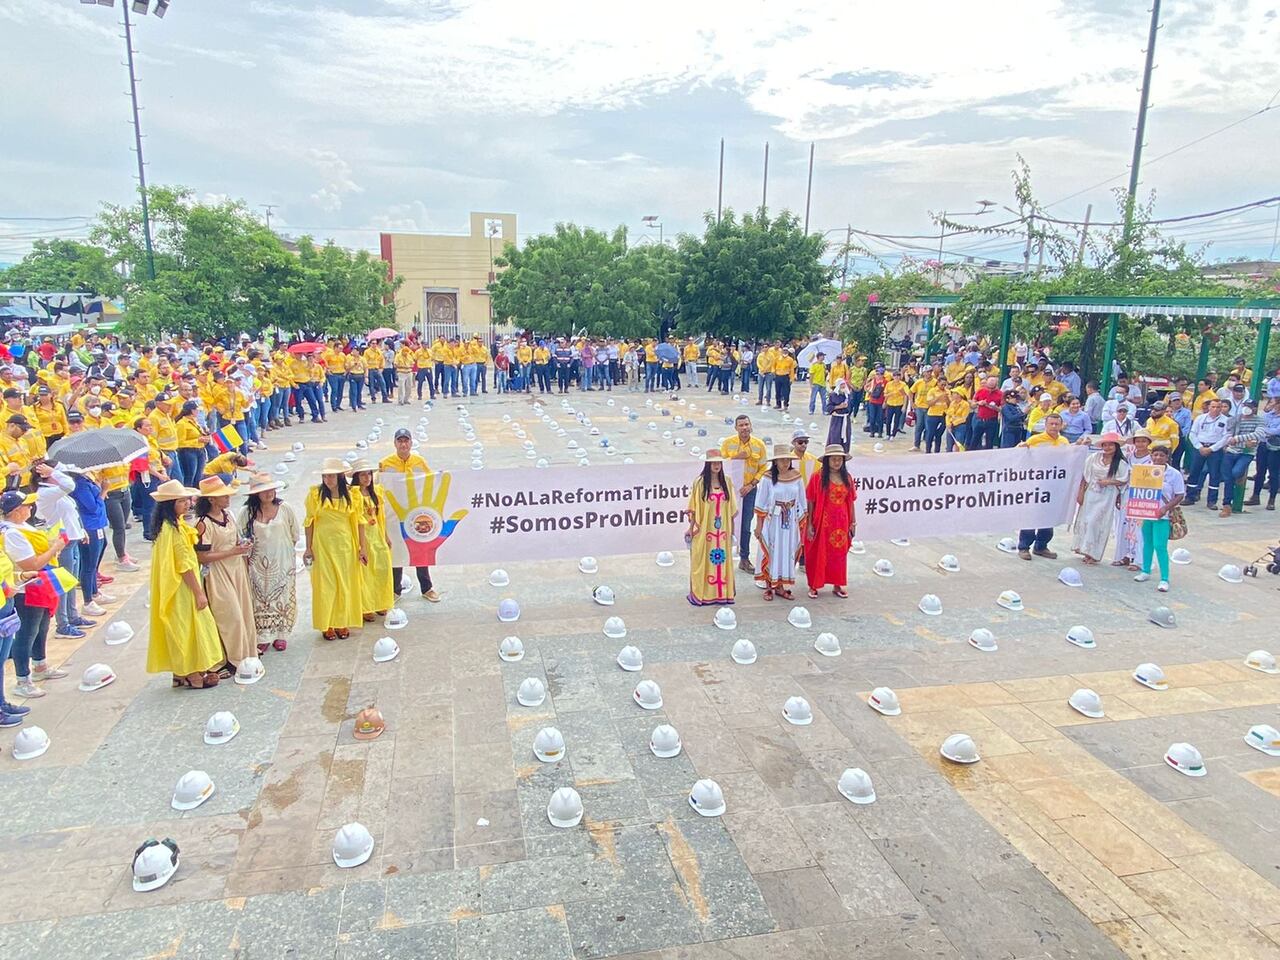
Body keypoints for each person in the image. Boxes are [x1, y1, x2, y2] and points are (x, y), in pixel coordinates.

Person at [146, 479, 225, 689]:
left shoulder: (168, 527)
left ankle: (180, 672)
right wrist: (199, 593)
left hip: (173, 586)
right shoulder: (174, 531)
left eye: (186, 500)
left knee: (179, 628)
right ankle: (192, 673)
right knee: (188, 628)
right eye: (182, 501)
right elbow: (185, 566)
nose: (187, 504)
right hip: (182, 587)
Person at [1, 490, 68, 699]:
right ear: (15, 512)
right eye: (26, 505)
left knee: (42, 626)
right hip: (25, 588)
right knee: (26, 633)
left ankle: (40, 665)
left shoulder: (22, 526)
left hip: (38, 584)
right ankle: (23, 679)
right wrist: (56, 547)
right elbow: (32, 564)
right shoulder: (11, 533)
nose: (30, 508)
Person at [193, 475, 255, 667]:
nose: (228, 499)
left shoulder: (229, 516)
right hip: (218, 573)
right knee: (230, 616)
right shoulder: (203, 523)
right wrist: (232, 552)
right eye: (223, 496)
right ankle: (232, 658)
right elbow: (202, 556)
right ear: (211, 499)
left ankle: (246, 652)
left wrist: (242, 548)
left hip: (236, 569)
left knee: (244, 612)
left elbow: (236, 539)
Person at [303, 458, 366, 641]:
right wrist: (308, 547)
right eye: (325, 476)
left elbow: (360, 522)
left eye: (331, 476)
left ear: (339, 476)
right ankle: (327, 623)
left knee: (344, 583)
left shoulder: (352, 495)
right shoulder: (315, 495)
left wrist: (362, 547)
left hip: (345, 544)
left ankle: (342, 621)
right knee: (326, 585)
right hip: (322, 545)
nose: (328, 479)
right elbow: (309, 522)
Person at [238, 474, 300, 653]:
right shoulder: (246, 513)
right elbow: (240, 537)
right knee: (259, 599)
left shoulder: (285, 509)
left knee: (283, 596)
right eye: (263, 491)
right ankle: (262, 635)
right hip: (256, 564)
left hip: (282, 562)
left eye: (271, 490)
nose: (268, 494)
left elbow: (294, 533)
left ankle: (281, 634)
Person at [379, 429, 440, 601]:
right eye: (400, 441)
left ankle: (427, 588)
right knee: (396, 552)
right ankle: (395, 590)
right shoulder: (385, 464)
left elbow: (431, 482)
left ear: (411, 443)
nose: (403, 444)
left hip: (415, 514)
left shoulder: (419, 462)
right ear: (395, 443)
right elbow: (377, 485)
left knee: (420, 550)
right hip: (394, 515)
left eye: (406, 441)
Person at [753, 444, 807, 601]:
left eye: (787, 460)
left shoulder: (796, 477)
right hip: (773, 521)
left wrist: (802, 521)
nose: (785, 463)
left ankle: (781, 585)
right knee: (772, 550)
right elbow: (761, 502)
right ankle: (769, 586)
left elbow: (802, 500)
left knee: (786, 551)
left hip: (790, 521)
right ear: (775, 462)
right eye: (782, 460)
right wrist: (759, 525)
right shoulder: (768, 478)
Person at [803, 444, 856, 599]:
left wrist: (853, 522)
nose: (836, 462)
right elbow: (811, 501)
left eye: (839, 459)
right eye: (833, 459)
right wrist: (810, 524)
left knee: (839, 555)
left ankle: (837, 584)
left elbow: (851, 501)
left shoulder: (847, 478)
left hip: (842, 522)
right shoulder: (817, 477)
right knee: (819, 553)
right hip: (823, 522)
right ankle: (814, 585)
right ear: (827, 461)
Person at [1015, 413, 1070, 560]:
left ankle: (1041, 546)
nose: (1053, 427)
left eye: (1056, 424)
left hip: (1054, 485)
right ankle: (1024, 547)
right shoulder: (1034, 440)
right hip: (1035, 485)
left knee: (1048, 517)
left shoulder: (1064, 442)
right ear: (1045, 425)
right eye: (1051, 424)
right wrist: (1021, 448)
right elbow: (1019, 457)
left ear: (1061, 425)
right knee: (1031, 516)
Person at [685, 451, 736, 606]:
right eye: (713, 463)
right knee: (703, 560)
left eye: (719, 463)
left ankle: (721, 594)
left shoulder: (727, 482)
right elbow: (694, 508)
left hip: (723, 532)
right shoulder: (700, 483)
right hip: (705, 530)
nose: (716, 465)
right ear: (707, 464)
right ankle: (703, 593)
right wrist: (691, 528)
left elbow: (732, 510)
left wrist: (732, 532)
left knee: (722, 560)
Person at [1134, 441, 1185, 593]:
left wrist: (1165, 508)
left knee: (1160, 546)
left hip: (1163, 515)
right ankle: (1145, 570)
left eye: (1161, 455)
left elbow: (1179, 494)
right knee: (1147, 543)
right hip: (1147, 512)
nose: (1157, 458)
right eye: (1155, 455)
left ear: (1167, 457)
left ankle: (1164, 578)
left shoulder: (1174, 474)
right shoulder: (1145, 470)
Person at [1070, 433, 1128, 564]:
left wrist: (1109, 482)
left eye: (1110, 445)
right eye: (1105, 445)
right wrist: (1080, 493)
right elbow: (1084, 476)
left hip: (1107, 496)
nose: (1107, 447)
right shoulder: (1094, 457)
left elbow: (1124, 480)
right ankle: (1084, 550)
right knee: (1086, 521)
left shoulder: (1120, 463)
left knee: (1097, 523)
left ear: (1116, 446)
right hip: (1091, 493)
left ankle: (1094, 554)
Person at [720, 415, 766, 573]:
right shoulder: (728, 444)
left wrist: (751, 484)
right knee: (726, 524)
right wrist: (736, 457)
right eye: (741, 425)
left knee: (745, 525)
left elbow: (763, 468)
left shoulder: (759, 445)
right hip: (730, 491)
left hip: (749, 490)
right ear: (736, 428)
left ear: (751, 425)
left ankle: (744, 558)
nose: (744, 428)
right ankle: (722, 558)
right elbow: (721, 466)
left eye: (747, 424)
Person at [350, 459, 394, 620]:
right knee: (365, 572)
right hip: (362, 536)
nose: (367, 477)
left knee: (382, 568)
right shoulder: (353, 494)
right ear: (356, 477)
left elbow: (381, 516)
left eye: (368, 474)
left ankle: (381, 602)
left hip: (376, 533)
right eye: (363, 474)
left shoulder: (376, 491)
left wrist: (385, 536)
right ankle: (365, 607)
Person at [826, 380, 852, 450]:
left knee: (846, 435)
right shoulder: (833, 395)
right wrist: (838, 407)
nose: (843, 386)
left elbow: (850, 407)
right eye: (841, 385)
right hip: (837, 419)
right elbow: (828, 408)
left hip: (845, 418)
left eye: (844, 384)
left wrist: (847, 407)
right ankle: (833, 449)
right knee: (835, 435)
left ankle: (845, 450)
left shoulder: (847, 395)